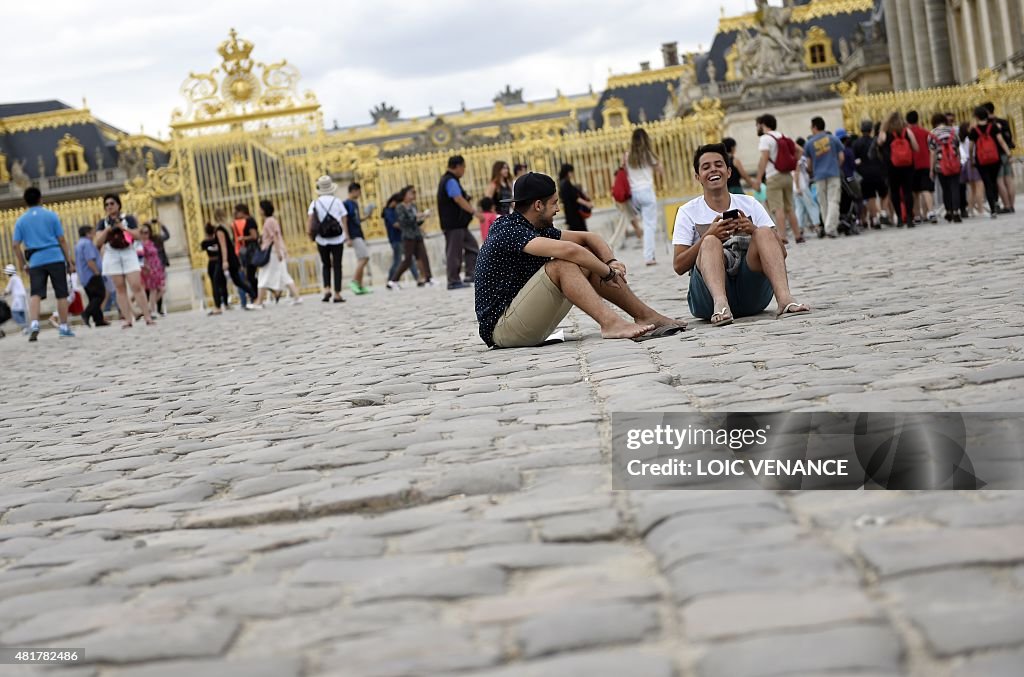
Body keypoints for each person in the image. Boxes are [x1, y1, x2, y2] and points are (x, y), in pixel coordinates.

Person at [474, 172, 685, 348]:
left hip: (524, 322)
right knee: (562, 265)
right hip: (502, 330)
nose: (557, 209)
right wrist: (607, 273)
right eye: (554, 203)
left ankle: (646, 315)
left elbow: (589, 238)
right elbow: (570, 251)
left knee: (583, 259)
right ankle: (611, 324)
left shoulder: (536, 228)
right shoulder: (508, 229)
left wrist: (610, 261)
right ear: (538, 205)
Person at [673, 144, 809, 326]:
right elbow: (679, 265)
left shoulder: (750, 203)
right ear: (698, 177)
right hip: (707, 300)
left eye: (718, 165)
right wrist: (707, 235)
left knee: (763, 232)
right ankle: (721, 304)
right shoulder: (688, 212)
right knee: (711, 241)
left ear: (729, 172)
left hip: (751, 294)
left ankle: (785, 299)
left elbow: (781, 253)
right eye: (706, 167)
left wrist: (752, 230)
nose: (713, 169)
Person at [12, 187, 76, 340]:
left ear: (25, 202)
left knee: (35, 293)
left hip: (35, 260)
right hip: (54, 256)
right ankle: (63, 326)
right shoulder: (51, 215)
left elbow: (15, 244)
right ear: (41, 199)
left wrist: (23, 263)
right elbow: (61, 239)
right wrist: (69, 260)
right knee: (61, 293)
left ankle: (34, 323)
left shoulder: (21, 220)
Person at [753, 113, 802, 245]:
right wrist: (793, 163)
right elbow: (799, 150)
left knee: (777, 208)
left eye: (758, 125)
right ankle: (798, 235)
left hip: (773, 176)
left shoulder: (765, 138)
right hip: (787, 175)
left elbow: (764, 158)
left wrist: (758, 179)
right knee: (789, 207)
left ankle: (782, 237)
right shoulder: (782, 136)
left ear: (763, 125)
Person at [438, 155, 479, 290]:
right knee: (454, 252)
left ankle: (470, 273)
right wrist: (473, 211)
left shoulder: (450, 179)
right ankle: (453, 280)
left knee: (472, 246)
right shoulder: (450, 180)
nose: (464, 170)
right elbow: (458, 199)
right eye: (463, 167)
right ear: (458, 166)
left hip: (459, 224)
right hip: (453, 224)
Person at [306, 176, 348, 303]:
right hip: (337, 237)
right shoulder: (337, 201)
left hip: (321, 238)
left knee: (325, 264)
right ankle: (337, 293)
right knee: (337, 265)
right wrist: (346, 234)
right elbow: (344, 219)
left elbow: (310, 221)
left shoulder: (315, 203)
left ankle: (326, 289)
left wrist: (310, 235)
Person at [625, 128, 664, 265]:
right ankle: (649, 256)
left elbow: (625, 172)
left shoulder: (628, 155)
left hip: (635, 194)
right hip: (647, 191)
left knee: (644, 223)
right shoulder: (648, 155)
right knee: (649, 225)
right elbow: (660, 171)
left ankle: (647, 251)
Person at [253, 200, 302, 307]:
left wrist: (278, 252)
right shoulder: (271, 220)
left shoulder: (269, 221)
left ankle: (259, 302)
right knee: (284, 275)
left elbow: (274, 237)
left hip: (273, 252)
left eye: (260, 208)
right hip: (276, 251)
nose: (259, 211)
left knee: (263, 276)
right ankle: (296, 296)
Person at [876, 112, 919, 228]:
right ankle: (910, 218)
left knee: (894, 191)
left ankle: (899, 218)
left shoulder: (885, 133)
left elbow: (878, 144)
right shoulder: (907, 132)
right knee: (907, 191)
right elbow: (916, 147)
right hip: (907, 166)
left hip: (892, 166)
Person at [388, 186, 435, 289]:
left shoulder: (413, 206)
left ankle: (429, 278)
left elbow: (416, 222)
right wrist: (418, 216)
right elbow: (404, 221)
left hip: (417, 234)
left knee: (424, 256)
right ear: (404, 195)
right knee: (408, 260)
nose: (413, 195)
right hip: (408, 236)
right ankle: (393, 280)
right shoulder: (400, 207)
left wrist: (423, 217)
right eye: (411, 193)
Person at [969, 105, 1011, 219]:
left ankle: (992, 209)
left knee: (987, 183)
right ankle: (996, 201)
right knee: (994, 181)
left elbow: (971, 147)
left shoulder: (974, 130)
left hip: (981, 160)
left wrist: (972, 159)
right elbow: (1001, 141)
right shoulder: (993, 127)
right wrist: (1008, 153)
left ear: (976, 117)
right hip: (995, 159)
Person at [805, 116, 844, 239]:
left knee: (823, 202)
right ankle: (830, 227)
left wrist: (812, 171)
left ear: (815, 127)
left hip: (819, 175)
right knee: (833, 200)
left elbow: (809, 164)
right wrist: (835, 167)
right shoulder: (833, 139)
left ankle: (828, 227)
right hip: (833, 173)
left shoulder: (809, 143)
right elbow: (841, 157)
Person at [852, 119, 887, 229]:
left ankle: (875, 218)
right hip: (878, 171)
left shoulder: (856, 143)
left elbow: (855, 160)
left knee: (870, 196)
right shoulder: (875, 141)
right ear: (871, 130)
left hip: (865, 174)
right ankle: (883, 212)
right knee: (884, 194)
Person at [928, 112, 962, 223]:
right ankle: (957, 211)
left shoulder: (932, 134)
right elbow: (957, 147)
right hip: (954, 163)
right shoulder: (952, 131)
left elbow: (932, 153)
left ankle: (949, 211)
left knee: (945, 189)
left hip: (940, 165)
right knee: (955, 188)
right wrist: (959, 161)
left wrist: (931, 169)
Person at [983, 101, 1016, 213]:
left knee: (999, 181)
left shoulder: (988, 125)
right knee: (1009, 180)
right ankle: (1011, 205)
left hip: (996, 155)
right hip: (1006, 153)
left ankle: (1006, 205)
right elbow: (1009, 139)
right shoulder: (1004, 122)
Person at [905, 111, 936, 224]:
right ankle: (931, 212)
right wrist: (932, 167)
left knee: (915, 192)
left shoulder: (906, 134)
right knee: (926, 189)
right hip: (926, 164)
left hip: (912, 165)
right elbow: (932, 150)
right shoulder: (926, 133)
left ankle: (917, 215)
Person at [74, 225, 107, 327]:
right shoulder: (87, 244)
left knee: (92, 297)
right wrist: (96, 271)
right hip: (91, 274)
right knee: (100, 295)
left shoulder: (78, 244)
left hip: (83, 275)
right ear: (88, 233)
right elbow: (90, 260)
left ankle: (99, 320)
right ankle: (86, 313)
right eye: (92, 232)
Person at [343, 182, 373, 295]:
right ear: (354, 191)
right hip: (353, 234)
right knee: (364, 257)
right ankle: (354, 281)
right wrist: (347, 237)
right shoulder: (346, 204)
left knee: (362, 258)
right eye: (359, 191)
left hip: (358, 233)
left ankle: (359, 285)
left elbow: (356, 219)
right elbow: (344, 220)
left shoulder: (354, 204)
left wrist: (366, 217)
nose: (360, 194)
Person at [384, 192, 419, 285]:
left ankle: (418, 278)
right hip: (395, 239)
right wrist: (406, 225)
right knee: (398, 261)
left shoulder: (394, 210)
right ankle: (391, 280)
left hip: (401, 237)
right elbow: (395, 224)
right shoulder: (388, 211)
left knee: (409, 259)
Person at [792, 138, 820, 239]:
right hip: (802, 187)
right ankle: (817, 225)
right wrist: (799, 187)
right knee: (812, 206)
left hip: (795, 188)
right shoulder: (799, 160)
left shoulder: (792, 160)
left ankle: (800, 228)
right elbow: (797, 174)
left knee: (800, 209)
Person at [234, 203, 260, 306]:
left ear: (242, 212)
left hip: (251, 251)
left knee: (250, 275)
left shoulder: (249, 221)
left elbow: (254, 236)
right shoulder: (247, 221)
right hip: (249, 251)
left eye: (237, 212)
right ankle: (256, 297)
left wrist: (243, 238)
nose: (235, 214)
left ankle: (256, 297)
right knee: (250, 275)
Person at [138, 223, 166, 314]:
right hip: (148, 268)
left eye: (147, 232)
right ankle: (150, 310)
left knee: (160, 289)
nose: (146, 234)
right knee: (152, 289)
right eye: (143, 232)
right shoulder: (140, 245)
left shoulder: (151, 242)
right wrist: (146, 267)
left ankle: (149, 309)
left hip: (156, 267)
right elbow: (141, 258)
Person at [201, 224, 228, 314]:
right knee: (223, 283)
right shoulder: (216, 240)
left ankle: (217, 303)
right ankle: (226, 302)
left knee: (214, 284)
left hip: (211, 262)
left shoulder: (205, 242)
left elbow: (202, 249)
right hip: (218, 261)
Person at [558, 163, 593, 233]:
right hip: (574, 213)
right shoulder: (566, 183)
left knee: (576, 233)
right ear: (568, 172)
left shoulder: (561, 183)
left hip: (570, 212)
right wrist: (587, 204)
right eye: (571, 172)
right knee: (581, 233)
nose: (572, 174)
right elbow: (575, 197)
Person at [959, 122, 985, 217]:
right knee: (979, 187)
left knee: (973, 189)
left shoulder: (963, 139)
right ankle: (981, 210)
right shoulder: (970, 138)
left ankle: (970, 209)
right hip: (973, 161)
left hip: (967, 163)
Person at [3, 263, 28, 333]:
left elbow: (7, 290)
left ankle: (24, 327)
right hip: (23, 296)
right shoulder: (17, 277)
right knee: (22, 313)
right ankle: (25, 328)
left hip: (18, 298)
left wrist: (3, 295)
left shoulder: (12, 279)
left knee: (14, 312)